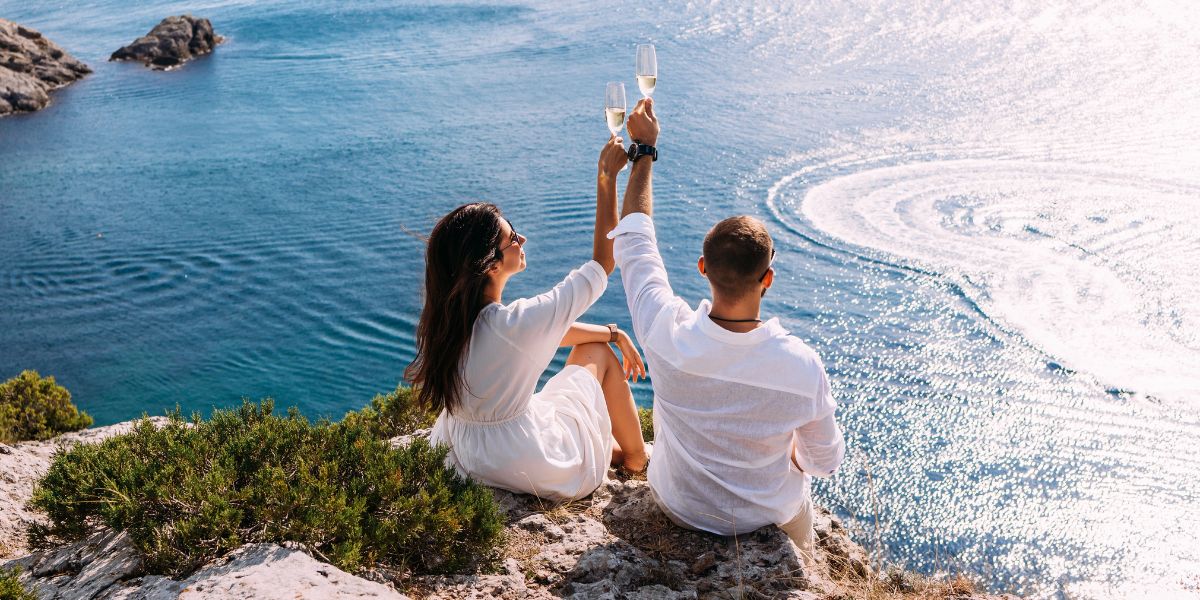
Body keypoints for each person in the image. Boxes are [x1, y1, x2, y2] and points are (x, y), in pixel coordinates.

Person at [608, 97, 846, 561]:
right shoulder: (800, 365)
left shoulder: (665, 329)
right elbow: (824, 463)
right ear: (768, 279)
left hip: (678, 507)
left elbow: (635, 241)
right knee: (804, 520)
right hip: (766, 519)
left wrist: (645, 152)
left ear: (702, 267)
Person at [406, 136, 650, 502]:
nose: (522, 237)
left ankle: (612, 450)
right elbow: (603, 262)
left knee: (587, 359)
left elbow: (539, 334)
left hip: (461, 452)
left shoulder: (452, 320)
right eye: (511, 239)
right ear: (490, 265)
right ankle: (636, 461)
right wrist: (606, 176)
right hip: (522, 458)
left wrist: (612, 332)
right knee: (598, 356)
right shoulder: (516, 322)